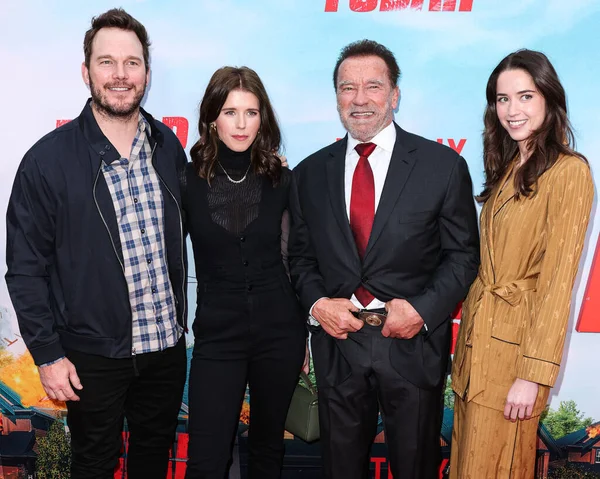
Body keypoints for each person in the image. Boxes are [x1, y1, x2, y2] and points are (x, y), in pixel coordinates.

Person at [5, 8, 188, 479]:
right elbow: (25, 267)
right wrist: (46, 353)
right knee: (94, 465)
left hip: (165, 349)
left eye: (132, 62)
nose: (121, 75)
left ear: (147, 73)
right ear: (86, 72)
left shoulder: (168, 147)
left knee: (153, 459)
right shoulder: (46, 161)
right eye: (107, 62)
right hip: (92, 354)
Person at [288, 39, 480, 479]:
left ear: (395, 95)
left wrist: (423, 310)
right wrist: (318, 306)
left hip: (411, 345)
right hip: (339, 348)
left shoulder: (442, 166)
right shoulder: (308, 173)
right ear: (336, 97)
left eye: (373, 86)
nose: (359, 99)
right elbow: (299, 258)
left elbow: (463, 256)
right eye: (346, 87)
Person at [450, 49, 594, 478]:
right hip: (475, 356)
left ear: (549, 99)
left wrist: (532, 375)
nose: (512, 110)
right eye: (502, 99)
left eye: (525, 96)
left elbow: (557, 285)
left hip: (515, 362)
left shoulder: (569, 172)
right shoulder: (510, 167)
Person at [182, 66, 308, 479]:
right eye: (230, 111)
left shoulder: (282, 179)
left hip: (280, 332)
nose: (241, 123)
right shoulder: (186, 181)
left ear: (263, 118)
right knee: (206, 456)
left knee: (269, 450)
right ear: (211, 118)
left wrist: (305, 331)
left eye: (251, 112)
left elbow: (298, 258)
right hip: (218, 335)